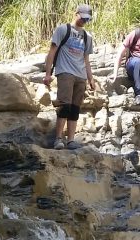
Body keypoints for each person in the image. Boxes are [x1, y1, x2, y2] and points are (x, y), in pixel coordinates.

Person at [43, 5, 96, 150]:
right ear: (76, 14)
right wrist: (48, 74)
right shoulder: (63, 30)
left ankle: (71, 140)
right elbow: (52, 52)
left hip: (81, 75)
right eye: (83, 17)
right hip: (65, 72)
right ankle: (58, 138)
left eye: (87, 19)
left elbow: (86, 59)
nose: (84, 20)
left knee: (75, 108)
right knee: (64, 105)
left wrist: (90, 79)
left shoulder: (87, 36)